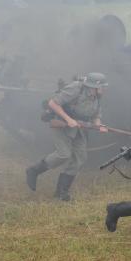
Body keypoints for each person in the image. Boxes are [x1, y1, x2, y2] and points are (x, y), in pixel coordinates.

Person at [25, 72, 108, 201]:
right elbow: (53, 103)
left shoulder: (97, 96)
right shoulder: (76, 88)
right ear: (92, 86)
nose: (103, 89)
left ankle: (61, 193)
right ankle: (33, 170)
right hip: (62, 123)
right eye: (101, 86)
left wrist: (99, 125)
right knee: (63, 154)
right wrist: (68, 119)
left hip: (79, 128)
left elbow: (96, 115)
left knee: (80, 158)